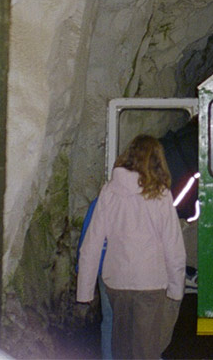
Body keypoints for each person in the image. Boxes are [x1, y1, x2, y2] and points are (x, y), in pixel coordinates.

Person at [76, 135, 186, 359]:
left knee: (121, 351)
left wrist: (84, 293)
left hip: (116, 283)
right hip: (151, 285)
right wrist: (176, 290)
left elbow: (92, 245)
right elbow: (173, 248)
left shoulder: (109, 192)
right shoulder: (161, 195)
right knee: (148, 350)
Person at [76, 197, 113, 359]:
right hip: (131, 271)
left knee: (109, 320)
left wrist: (83, 272)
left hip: (104, 269)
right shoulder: (145, 198)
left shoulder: (100, 201)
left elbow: (87, 240)